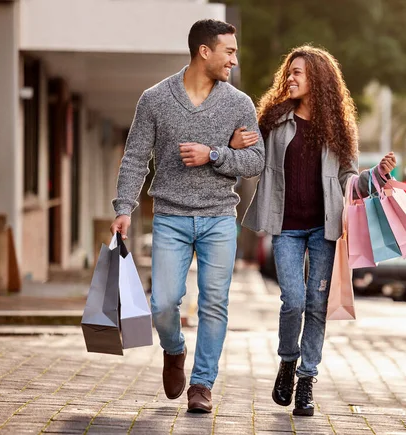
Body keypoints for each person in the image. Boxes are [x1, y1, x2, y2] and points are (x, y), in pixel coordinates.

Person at [110, 19, 264, 413]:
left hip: (217, 218)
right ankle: (174, 350)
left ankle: (202, 384)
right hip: (171, 217)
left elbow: (255, 160)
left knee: (214, 302)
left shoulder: (238, 103)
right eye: (228, 51)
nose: (234, 58)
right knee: (163, 303)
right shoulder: (155, 99)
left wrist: (214, 154)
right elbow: (134, 158)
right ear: (204, 51)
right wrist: (124, 207)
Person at [237, 45, 396, 416]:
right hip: (286, 226)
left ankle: (307, 379)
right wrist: (231, 146)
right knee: (292, 300)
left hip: (324, 230)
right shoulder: (275, 120)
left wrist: (377, 177)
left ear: (318, 81)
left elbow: (349, 180)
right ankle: (288, 361)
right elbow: (251, 162)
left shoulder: (339, 127)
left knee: (316, 305)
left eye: (298, 73)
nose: (290, 78)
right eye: (288, 72)